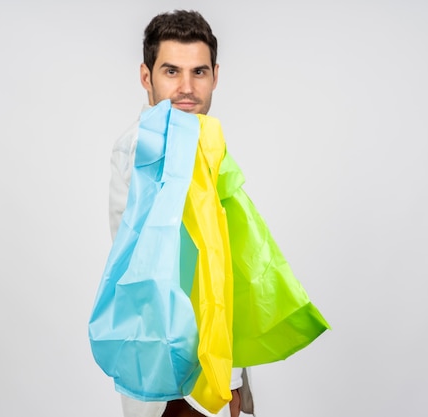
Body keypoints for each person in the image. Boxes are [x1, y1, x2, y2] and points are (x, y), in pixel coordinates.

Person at [108, 10, 252, 417]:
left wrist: (235, 382)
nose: (186, 88)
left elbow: (221, 262)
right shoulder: (144, 148)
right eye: (171, 71)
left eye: (199, 72)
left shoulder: (204, 143)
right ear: (146, 76)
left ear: (215, 76)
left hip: (218, 365)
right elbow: (155, 276)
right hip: (177, 376)